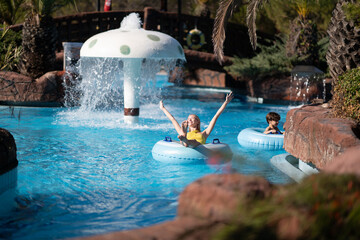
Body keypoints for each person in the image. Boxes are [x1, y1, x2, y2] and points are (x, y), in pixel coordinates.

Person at [159, 91, 234, 148]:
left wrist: (226, 102)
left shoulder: (204, 133)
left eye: (192, 119)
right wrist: (162, 108)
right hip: (186, 144)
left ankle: (185, 141)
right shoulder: (182, 132)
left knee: (194, 141)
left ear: (198, 122)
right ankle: (185, 141)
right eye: (188, 119)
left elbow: (215, 116)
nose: (190, 120)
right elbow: (172, 119)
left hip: (197, 146)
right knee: (183, 135)